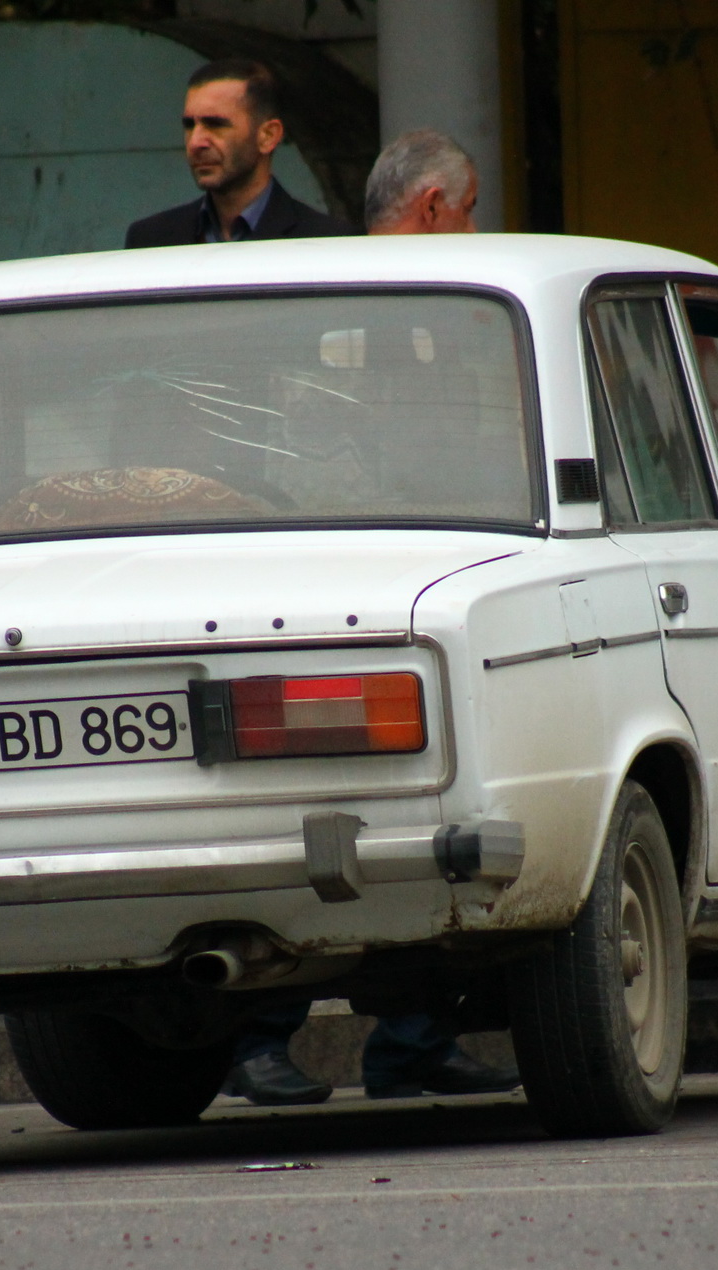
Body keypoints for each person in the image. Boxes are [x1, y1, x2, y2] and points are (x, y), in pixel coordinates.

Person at [143, 126, 513, 1105]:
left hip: (393, 576)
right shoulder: (362, 295)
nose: (475, 228)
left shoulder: (395, 297)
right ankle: (272, 1036)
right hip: (335, 582)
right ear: (435, 205)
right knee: (333, 819)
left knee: (418, 819)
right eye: (468, 208)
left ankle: (409, 1037)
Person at [125, 58, 349, 248]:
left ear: (268, 136)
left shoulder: (325, 243)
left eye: (215, 125)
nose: (195, 142)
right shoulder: (152, 240)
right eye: (189, 125)